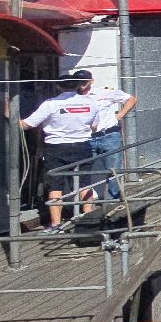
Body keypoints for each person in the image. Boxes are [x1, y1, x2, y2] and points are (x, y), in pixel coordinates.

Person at [20, 73, 99, 230]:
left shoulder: (51, 104)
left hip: (56, 148)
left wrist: (8, 114)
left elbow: (28, 125)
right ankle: (89, 219)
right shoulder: (91, 102)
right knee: (84, 183)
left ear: (57, 86)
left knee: (55, 186)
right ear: (78, 85)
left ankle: (56, 224)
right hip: (82, 146)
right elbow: (94, 126)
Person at [82, 73, 136, 202]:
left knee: (113, 171)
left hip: (109, 136)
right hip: (86, 138)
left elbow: (131, 99)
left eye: (84, 80)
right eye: (79, 81)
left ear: (91, 81)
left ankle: (113, 201)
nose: (82, 83)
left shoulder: (104, 92)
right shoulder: (73, 97)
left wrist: (120, 115)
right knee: (83, 172)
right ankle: (86, 205)